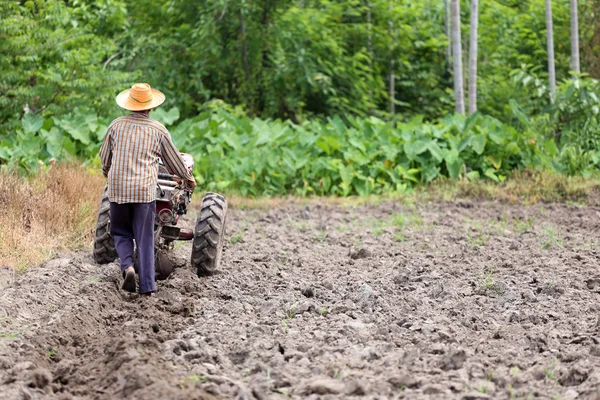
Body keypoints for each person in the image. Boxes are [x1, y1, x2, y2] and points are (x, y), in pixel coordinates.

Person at [99, 83, 196, 296]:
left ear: (129, 105)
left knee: (121, 233)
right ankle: (147, 287)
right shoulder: (158, 130)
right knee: (144, 238)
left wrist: (109, 173)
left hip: (117, 190)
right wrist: (188, 179)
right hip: (143, 192)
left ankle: (128, 267)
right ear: (150, 107)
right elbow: (174, 163)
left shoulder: (115, 126)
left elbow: (105, 158)